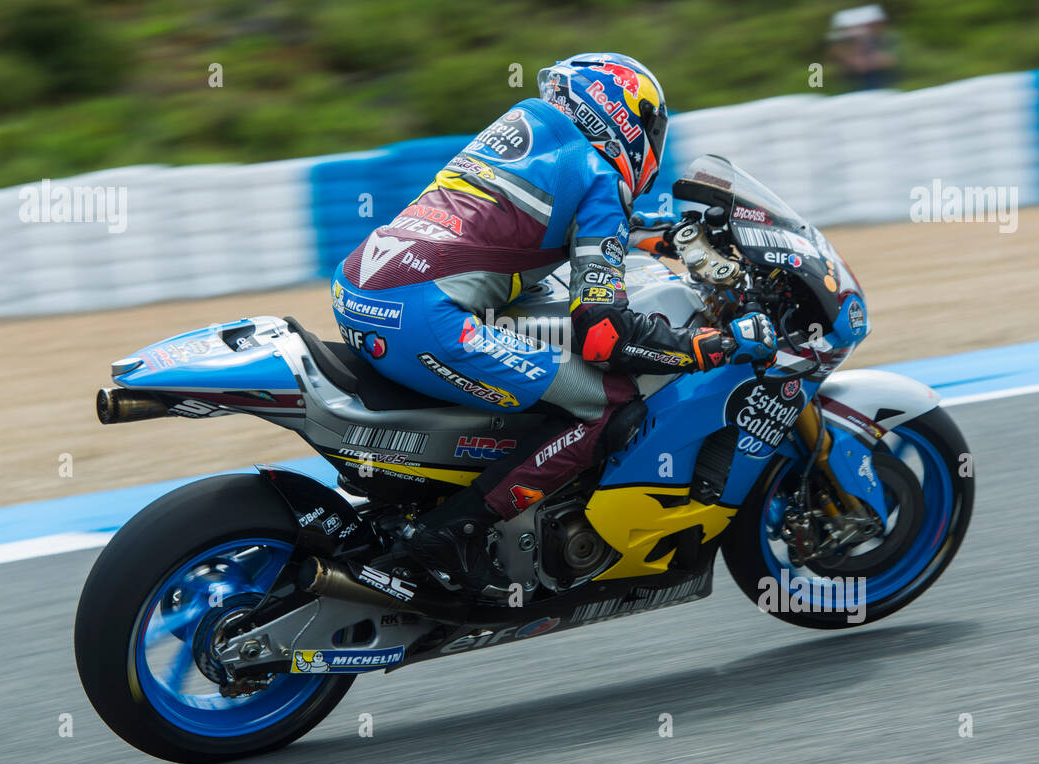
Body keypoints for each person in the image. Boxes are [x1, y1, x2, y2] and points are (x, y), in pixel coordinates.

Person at [331, 52, 777, 594]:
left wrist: (645, 234)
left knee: (545, 335)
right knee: (606, 403)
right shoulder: (599, 173)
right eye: (652, 127)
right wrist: (700, 346)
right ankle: (451, 532)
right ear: (625, 117)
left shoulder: (529, 127)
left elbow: (531, 218)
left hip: (361, 286)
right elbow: (602, 332)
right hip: (423, 318)